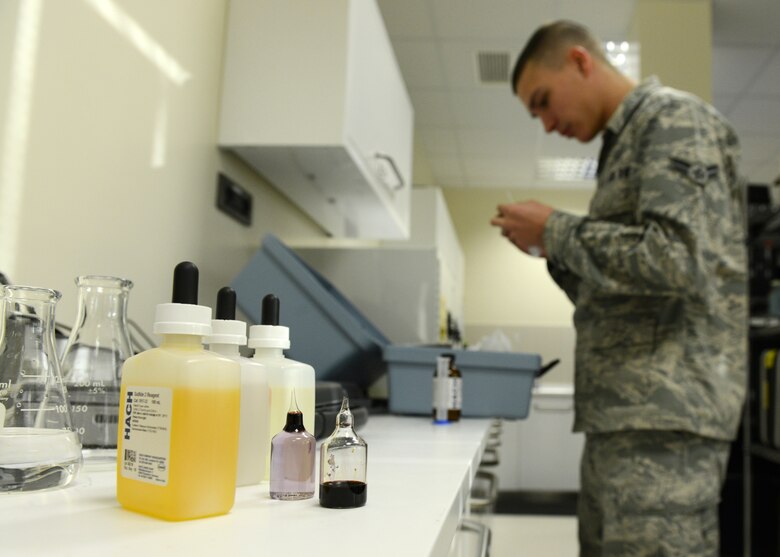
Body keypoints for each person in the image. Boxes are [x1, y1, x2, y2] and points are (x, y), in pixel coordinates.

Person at [490, 20, 747, 557]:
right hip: (628, 420)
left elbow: (678, 260)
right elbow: (618, 299)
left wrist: (556, 229)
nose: (545, 122)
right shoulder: (623, 147)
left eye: (542, 101)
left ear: (581, 62)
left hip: (665, 424)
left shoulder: (673, 119)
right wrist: (550, 252)